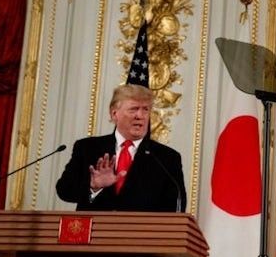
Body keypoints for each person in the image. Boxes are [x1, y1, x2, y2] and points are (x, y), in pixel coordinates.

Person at [56, 84, 186, 212]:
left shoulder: (167, 158)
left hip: (141, 232)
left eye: (145, 109)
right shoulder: (87, 148)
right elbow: (64, 191)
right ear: (114, 114)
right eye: (133, 109)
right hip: (95, 230)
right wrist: (93, 186)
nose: (140, 115)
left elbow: (176, 206)